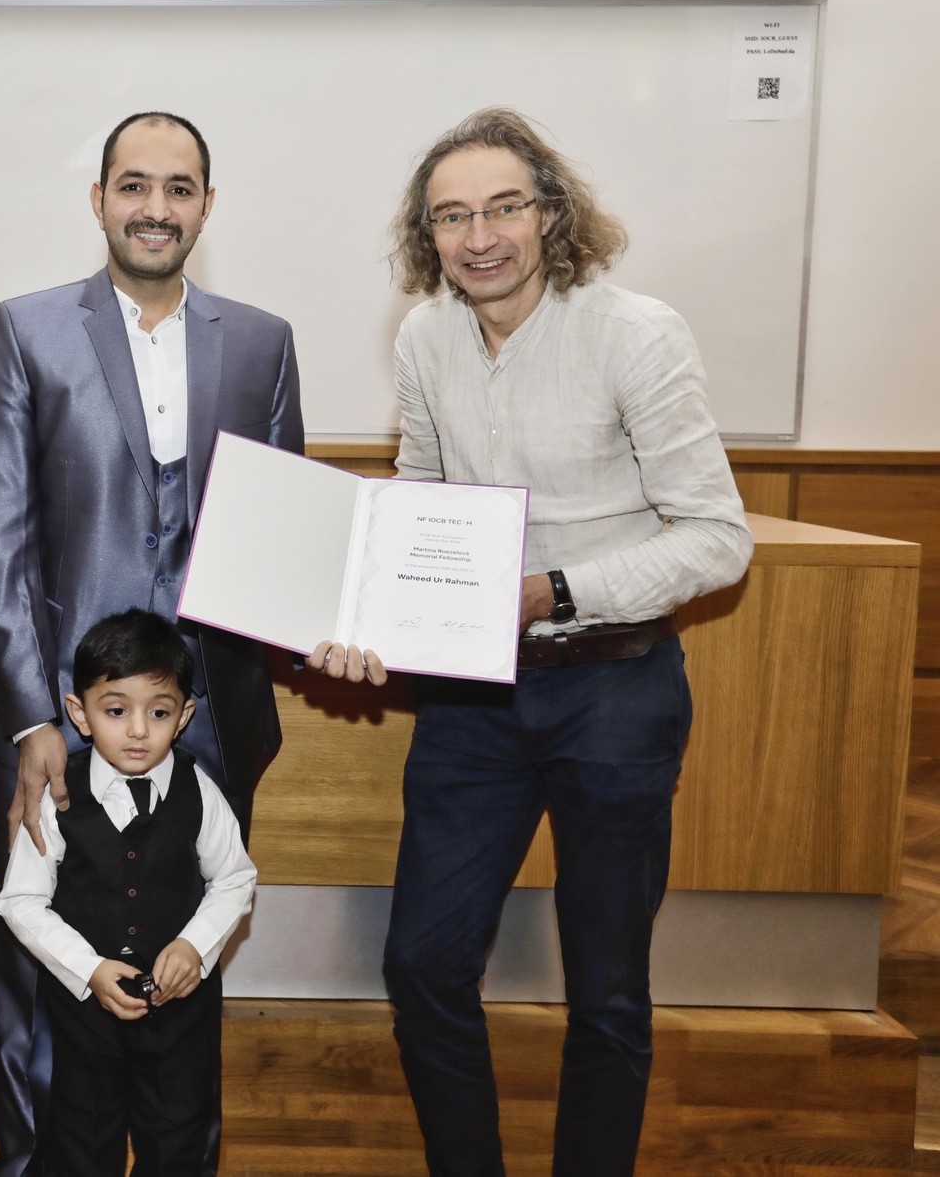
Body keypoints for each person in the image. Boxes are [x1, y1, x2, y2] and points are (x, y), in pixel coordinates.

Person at [311, 106, 753, 1174]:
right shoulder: (424, 337)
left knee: (605, 988)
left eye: (501, 207)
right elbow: (421, 496)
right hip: (473, 698)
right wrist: (364, 612)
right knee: (420, 965)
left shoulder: (634, 333)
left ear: (549, 214)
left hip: (616, 688)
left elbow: (717, 540)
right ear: (427, 235)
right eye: (450, 215)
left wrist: (549, 589)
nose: (477, 237)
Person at [0, 110, 303, 1176]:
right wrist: (33, 715)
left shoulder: (260, 341)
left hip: (203, 717)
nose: (154, 207)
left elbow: (281, 532)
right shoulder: (25, 328)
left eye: (178, 187)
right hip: (66, 718)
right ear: (99, 198)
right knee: (39, 961)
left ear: (206, 203)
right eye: (133, 184)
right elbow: (3, 540)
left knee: (189, 959)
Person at [0, 610, 256, 1177]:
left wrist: (196, 944)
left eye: (158, 712)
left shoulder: (199, 790)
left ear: (184, 716)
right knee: (82, 1146)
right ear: (79, 715)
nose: (138, 730)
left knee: (179, 1142)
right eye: (116, 710)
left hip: (181, 1020)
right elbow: (20, 900)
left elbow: (235, 877)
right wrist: (87, 968)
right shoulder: (58, 798)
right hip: (87, 1022)